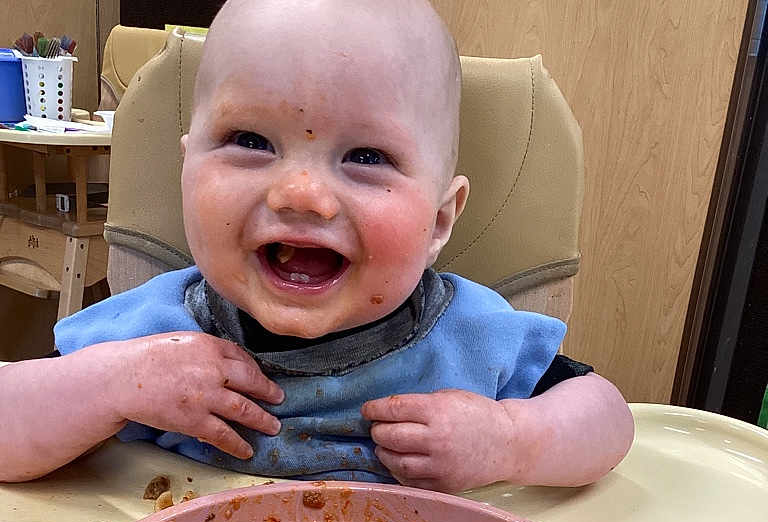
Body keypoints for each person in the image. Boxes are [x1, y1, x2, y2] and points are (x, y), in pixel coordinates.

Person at [0, 0, 634, 491]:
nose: (301, 195)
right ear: (185, 172)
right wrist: (110, 387)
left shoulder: (473, 341)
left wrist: (510, 440)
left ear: (440, 220)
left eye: (366, 156)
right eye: (251, 141)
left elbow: (609, 419)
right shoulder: (147, 339)